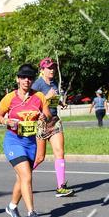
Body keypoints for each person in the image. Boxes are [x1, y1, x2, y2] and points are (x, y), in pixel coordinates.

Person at [0, 64, 52, 217]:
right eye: (23, 77)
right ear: (17, 79)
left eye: (30, 77)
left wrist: (43, 116)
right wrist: (6, 120)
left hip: (31, 143)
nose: (26, 80)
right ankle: (32, 213)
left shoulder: (39, 96)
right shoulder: (10, 98)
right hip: (13, 141)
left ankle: (12, 207)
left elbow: (48, 115)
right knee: (27, 176)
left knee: (22, 179)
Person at [32, 58, 74, 197]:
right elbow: (31, 104)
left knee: (59, 152)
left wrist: (60, 102)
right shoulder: (37, 85)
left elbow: (53, 98)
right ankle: (23, 176)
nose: (52, 70)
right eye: (49, 68)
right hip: (41, 122)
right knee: (39, 158)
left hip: (54, 121)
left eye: (53, 68)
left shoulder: (54, 83)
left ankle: (61, 187)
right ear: (42, 70)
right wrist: (47, 98)